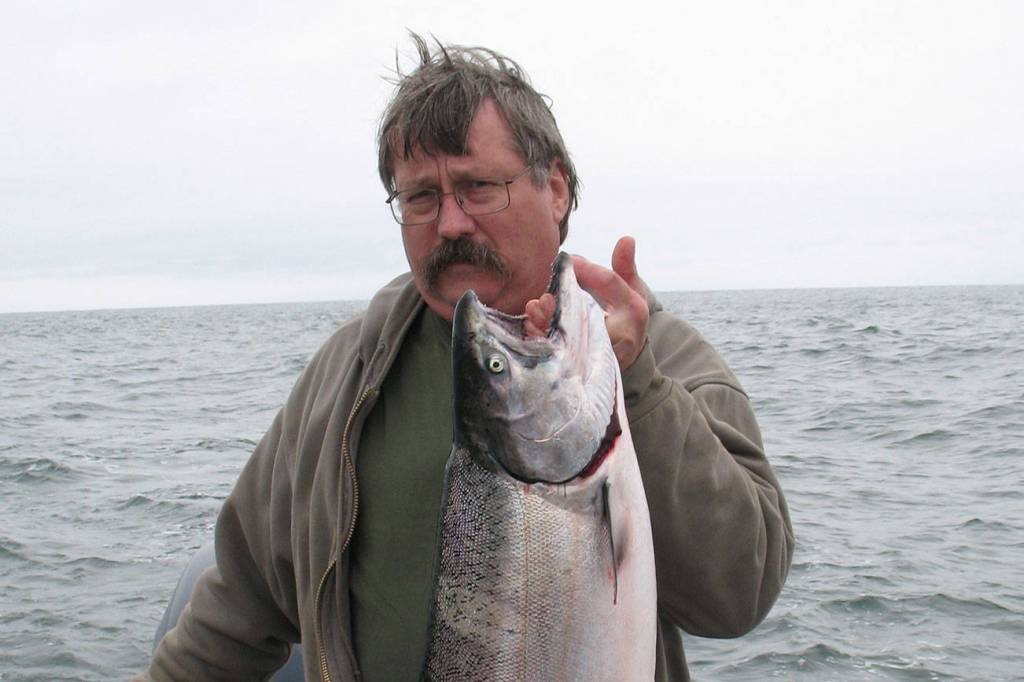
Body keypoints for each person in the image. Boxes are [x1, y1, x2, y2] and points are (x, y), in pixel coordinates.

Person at [138, 34, 793, 682]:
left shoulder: (658, 360)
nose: (449, 223)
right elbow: (239, 603)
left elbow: (738, 592)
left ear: (555, 189)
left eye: (478, 187)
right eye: (421, 197)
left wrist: (638, 382)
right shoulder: (345, 375)